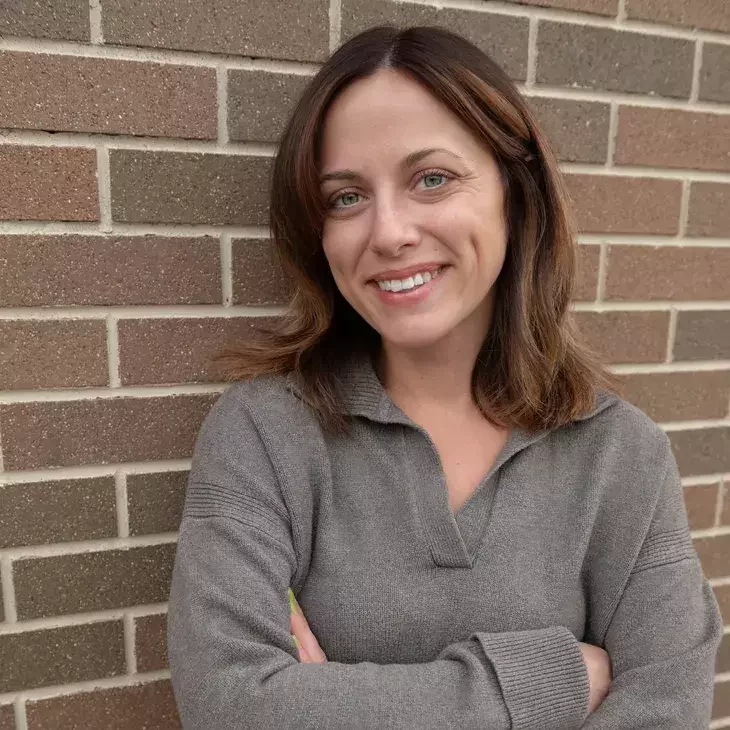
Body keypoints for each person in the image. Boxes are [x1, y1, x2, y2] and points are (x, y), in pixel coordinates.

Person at [166, 25, 723, 729]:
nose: (388, 232)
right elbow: (230, 708)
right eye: (346, 197)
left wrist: (330, 702)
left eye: (432, 179)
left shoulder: (621, 456)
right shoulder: (265, 436)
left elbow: (667, 711)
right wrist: (553, 682)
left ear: (515, 193)